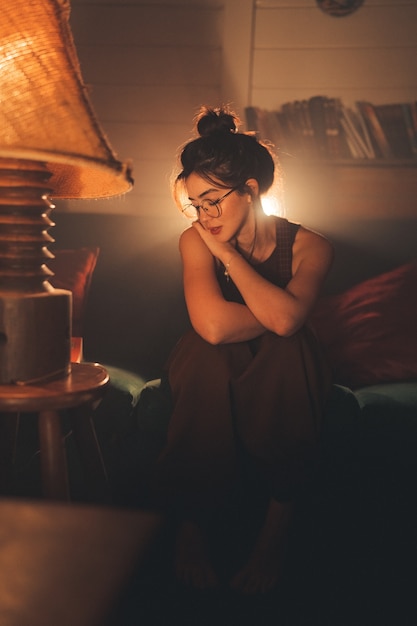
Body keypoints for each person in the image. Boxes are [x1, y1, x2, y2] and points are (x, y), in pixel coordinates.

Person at [150, 105, 334, 594]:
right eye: (195, 204)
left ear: (250, 191)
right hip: (215, 356)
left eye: (213, 201)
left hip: (285, 363)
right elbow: (212, 326)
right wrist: (280, 315)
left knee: (290, 351)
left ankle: (275, 530)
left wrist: (230, 254)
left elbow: (291, 327)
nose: (205, 217)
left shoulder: (310, 246)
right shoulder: (195, 241)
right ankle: (192, 526)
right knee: (208, 357)